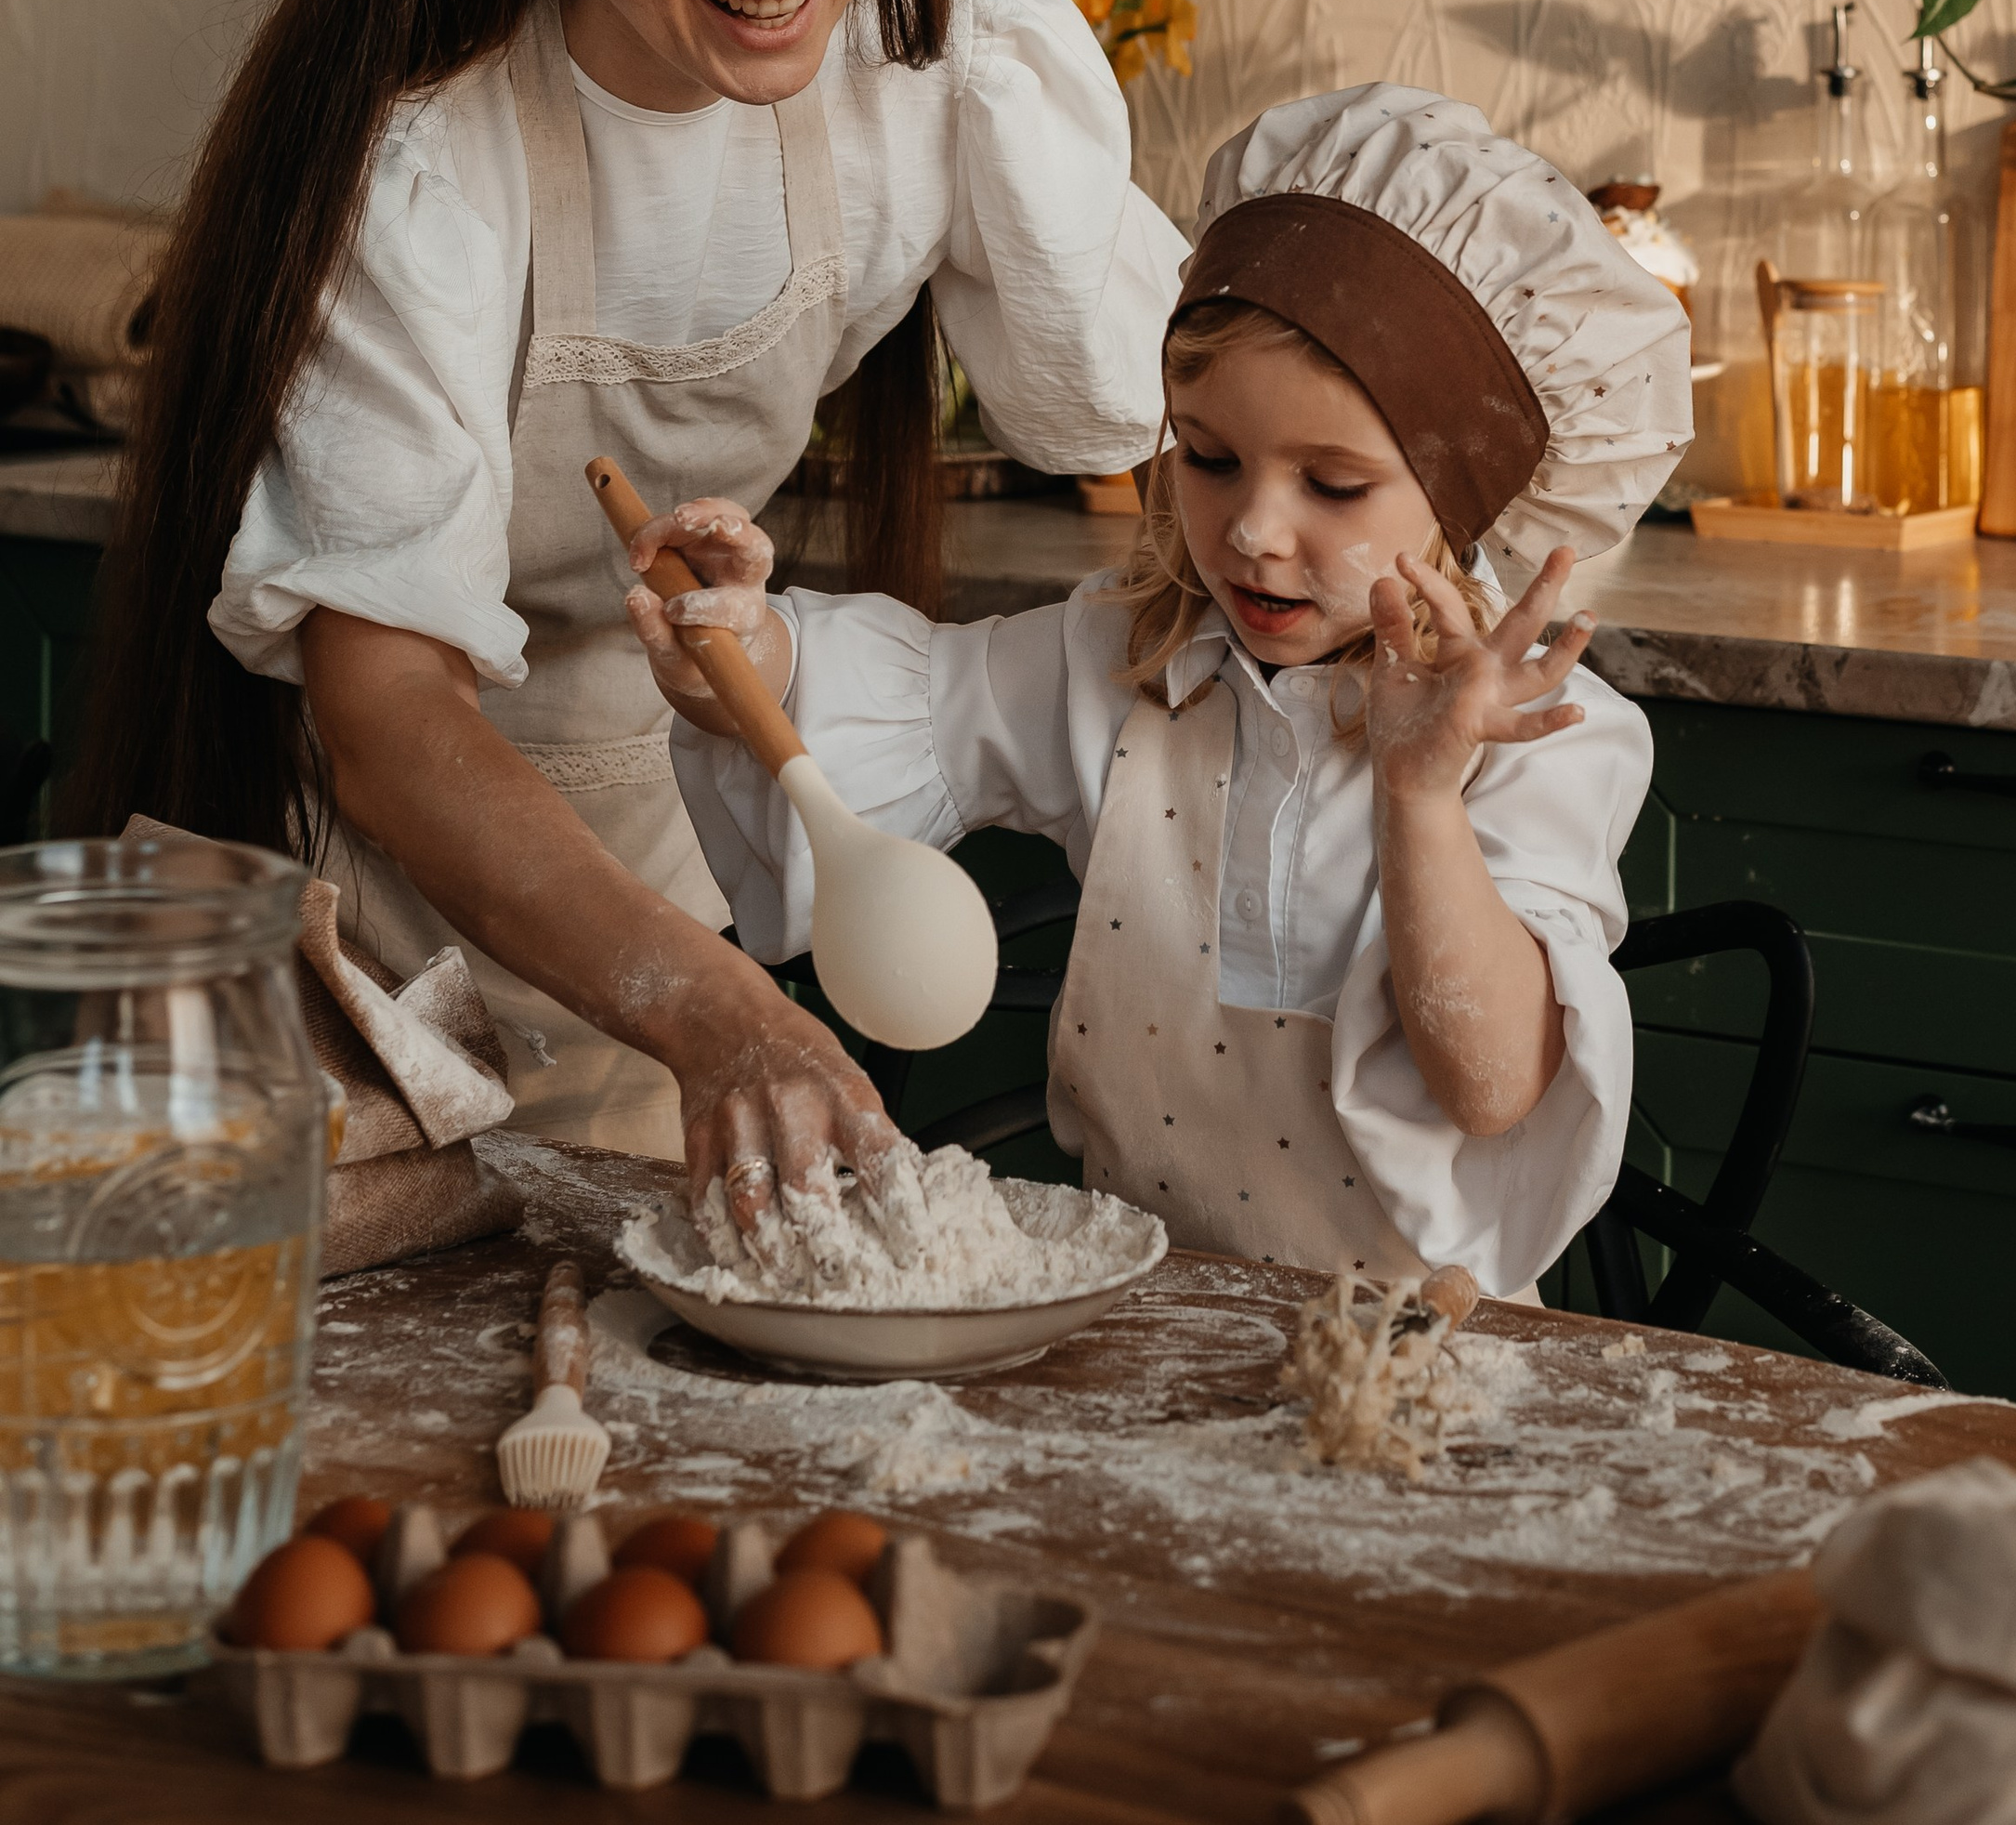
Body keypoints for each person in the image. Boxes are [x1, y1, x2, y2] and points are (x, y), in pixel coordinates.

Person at [62, 0, 1184, 1192]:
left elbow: (1138, 412)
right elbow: (386, 711)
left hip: (664, 873)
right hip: (378, 926)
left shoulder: (935, 76)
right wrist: (722, 1015)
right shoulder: (433, 169)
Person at [635, 85, 1694, 1296]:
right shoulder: (1128, 662)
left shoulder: (1544, 737)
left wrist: (1420, 795)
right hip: (1134, 1315)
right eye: (1210, 457)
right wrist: (738, 655)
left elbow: (1494, 1085)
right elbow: (895, 704)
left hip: (1412, 1370)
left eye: (1333, 486)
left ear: (1461, 513)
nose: (1250, 530)